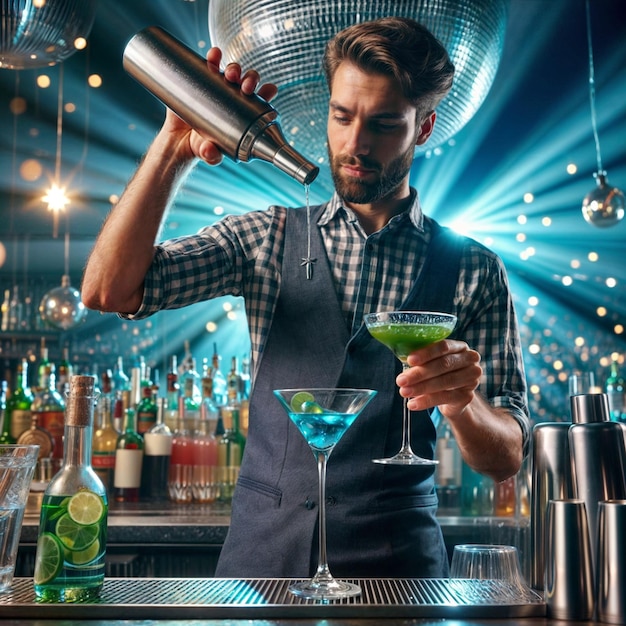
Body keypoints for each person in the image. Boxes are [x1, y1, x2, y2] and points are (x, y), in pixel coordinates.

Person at [82, 17, 529, 578]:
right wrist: (174, 145)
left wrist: (464, 404)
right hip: (260, 567)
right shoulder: (264, 238)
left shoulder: (473, 269)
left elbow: (506, 456)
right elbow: (107, 290)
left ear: (424, 127)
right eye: (342, 117)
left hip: (398, 577)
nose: (355, 144)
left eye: (385, 124)